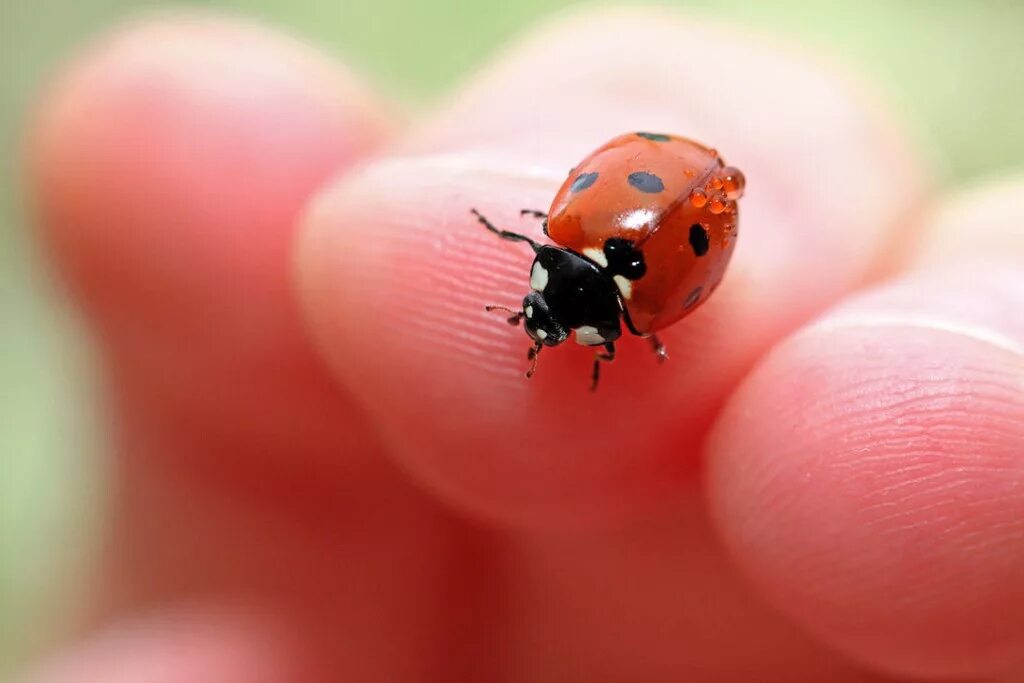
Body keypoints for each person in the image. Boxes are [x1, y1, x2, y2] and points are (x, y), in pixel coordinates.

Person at [18, 8, 1024, 682]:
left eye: (549, 317)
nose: (537, 327)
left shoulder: (602, 272)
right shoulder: (611, 283)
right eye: (551, 315)